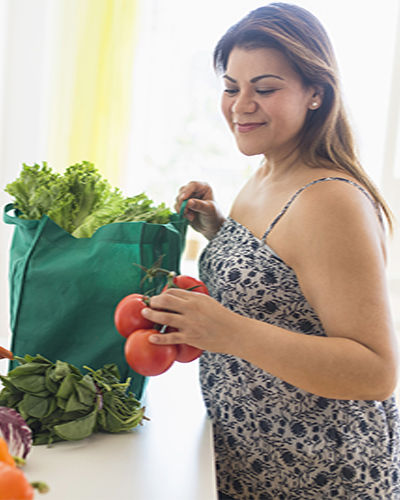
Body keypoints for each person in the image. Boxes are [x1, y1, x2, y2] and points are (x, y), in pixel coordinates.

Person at [141, 3, 400, 499]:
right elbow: (286, 286)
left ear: (316, 94)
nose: (241, 106)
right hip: (252, 455)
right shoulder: (266, 172)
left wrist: (228, 331)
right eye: (231, 87)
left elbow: (375, 371)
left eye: (265, 89)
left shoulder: (331, 199)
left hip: (318, 473)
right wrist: (219, 229)